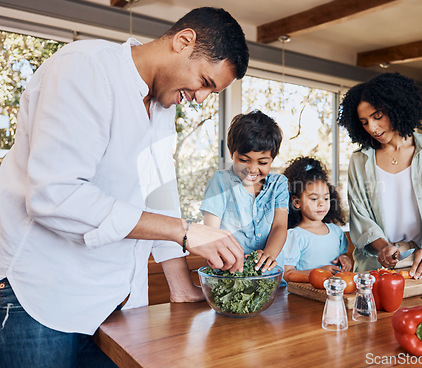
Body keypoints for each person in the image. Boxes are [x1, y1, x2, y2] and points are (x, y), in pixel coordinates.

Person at [0, 7, 249, 368]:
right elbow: (55, 195)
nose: (200, 99)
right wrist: (185, 232)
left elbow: (160, 194)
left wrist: (179, 284)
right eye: (205, 83)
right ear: (184, 41)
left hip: (112, 305)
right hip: (41, 298)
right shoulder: (86, 68)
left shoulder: (162, 110)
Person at [338, 72, 422, 280]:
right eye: (364, 122)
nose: (372, 128)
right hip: (375, 271)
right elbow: (361, 220)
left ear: (396, 109)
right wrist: (384, 248)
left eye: (377, 116)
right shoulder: (359, 161)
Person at [200, 110, 288, 272]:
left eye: (262, 162)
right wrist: (230, 261)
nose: (252, 169)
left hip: (269, 273)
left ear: (272, 159)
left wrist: (267, 256)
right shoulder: (220, 182)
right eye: (243, 160)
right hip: (229, 272)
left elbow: (279, 227)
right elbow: (212, 233)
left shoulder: (279, 184)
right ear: (231, 153)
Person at [281, 157, 351, 282]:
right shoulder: (294, 236)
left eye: (325, 198)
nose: (321, 204)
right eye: (314, 199)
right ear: (296, 202)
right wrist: (319, 273)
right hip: (304, 298)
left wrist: (345, 259)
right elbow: (287, 274)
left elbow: (342, 254)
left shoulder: (336, 232)